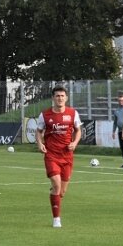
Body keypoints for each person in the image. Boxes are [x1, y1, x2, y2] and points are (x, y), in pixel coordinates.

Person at [35, 85, 82, 228]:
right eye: (57, 96)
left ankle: (55, 195)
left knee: (61, 191)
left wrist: (75, 142)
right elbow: (38, 131)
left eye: (62, 96)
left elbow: (78, 130)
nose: (60, 98)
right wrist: (39, 143)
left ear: (66, 98)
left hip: (67, 156)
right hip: (51, 155)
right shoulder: (45, 115)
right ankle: (56, 219)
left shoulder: (73, 113)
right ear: (53, 98)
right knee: (56, 184)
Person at [111, 94, 123, 167]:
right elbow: (115, 122)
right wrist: (113, 131)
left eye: (122, 100)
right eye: (119, 101)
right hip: (120, 131)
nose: (121, 102)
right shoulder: (116, 111)